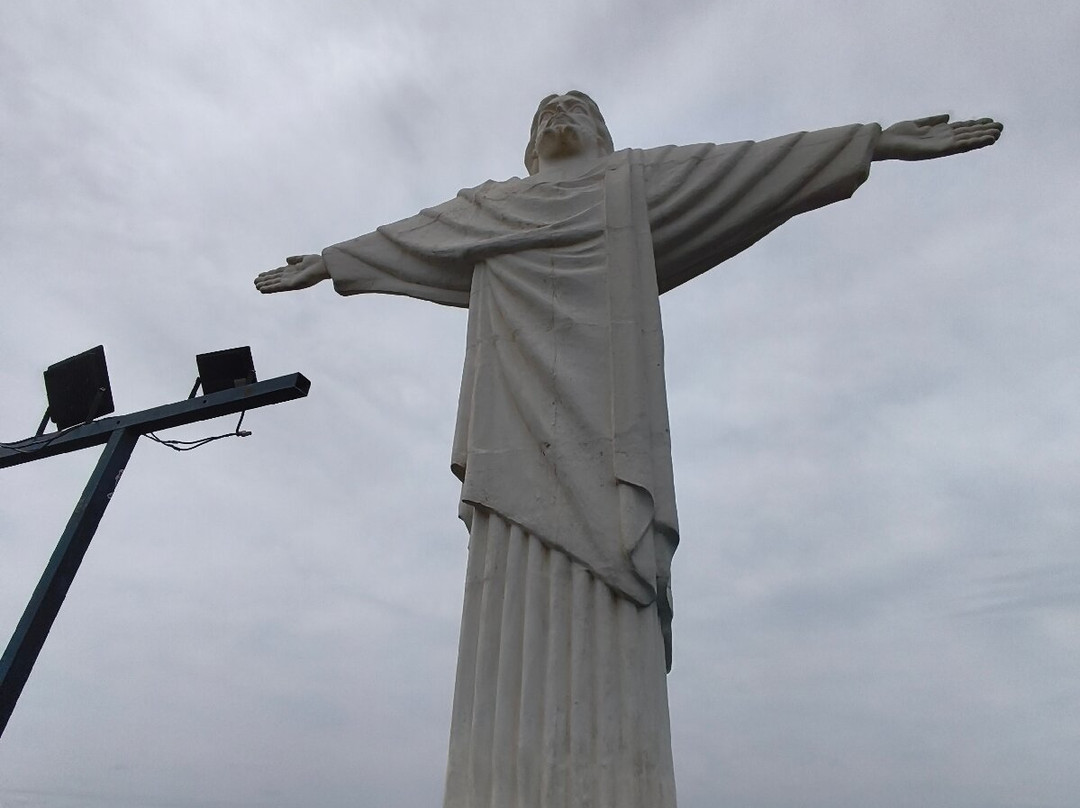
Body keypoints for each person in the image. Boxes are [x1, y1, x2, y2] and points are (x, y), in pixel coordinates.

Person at [255, 91, 1001, 808]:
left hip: (611, 441)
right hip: (513, 436)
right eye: (547, 107)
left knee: (613, 591)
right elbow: (407, 237)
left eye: (578, 105)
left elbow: (749, 166)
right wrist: (330, 262)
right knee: (508, 605)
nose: (559, 111)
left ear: (604, 136)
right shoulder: (487, 209)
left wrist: (873, 142)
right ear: (528, 145)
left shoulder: (634, 185)